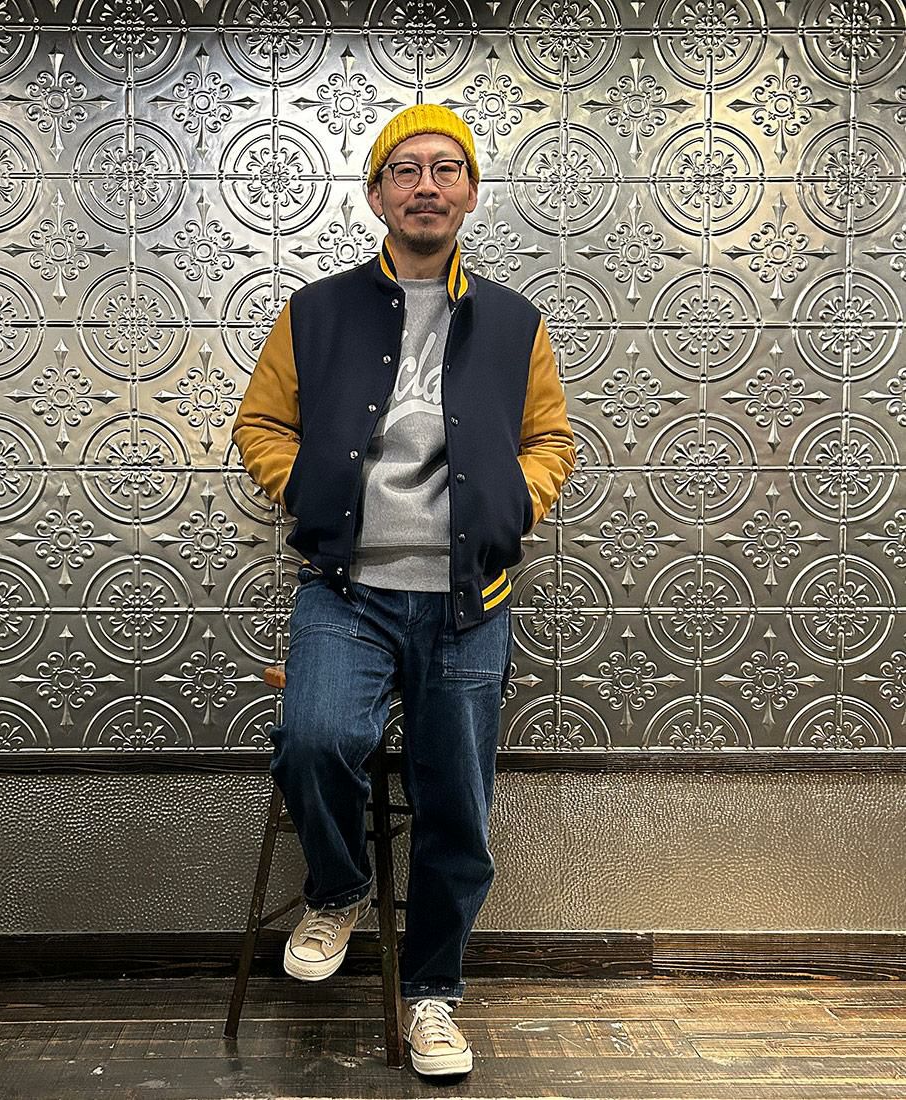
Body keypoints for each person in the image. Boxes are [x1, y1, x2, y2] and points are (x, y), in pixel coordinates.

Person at [231, 103, 575, 1077]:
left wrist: (516, 502)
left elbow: (549, 439)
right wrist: (306, 488)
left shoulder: (514, 322)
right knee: (314, 739)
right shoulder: (315, 311)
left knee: (455, 802)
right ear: (377, 194)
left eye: (445, 168)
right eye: (405, 169)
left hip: (469, 598)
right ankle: (338, 889)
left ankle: (432, 994)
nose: (426, 185)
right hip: (346, 588)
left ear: (469, 192)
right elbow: (261, 424)